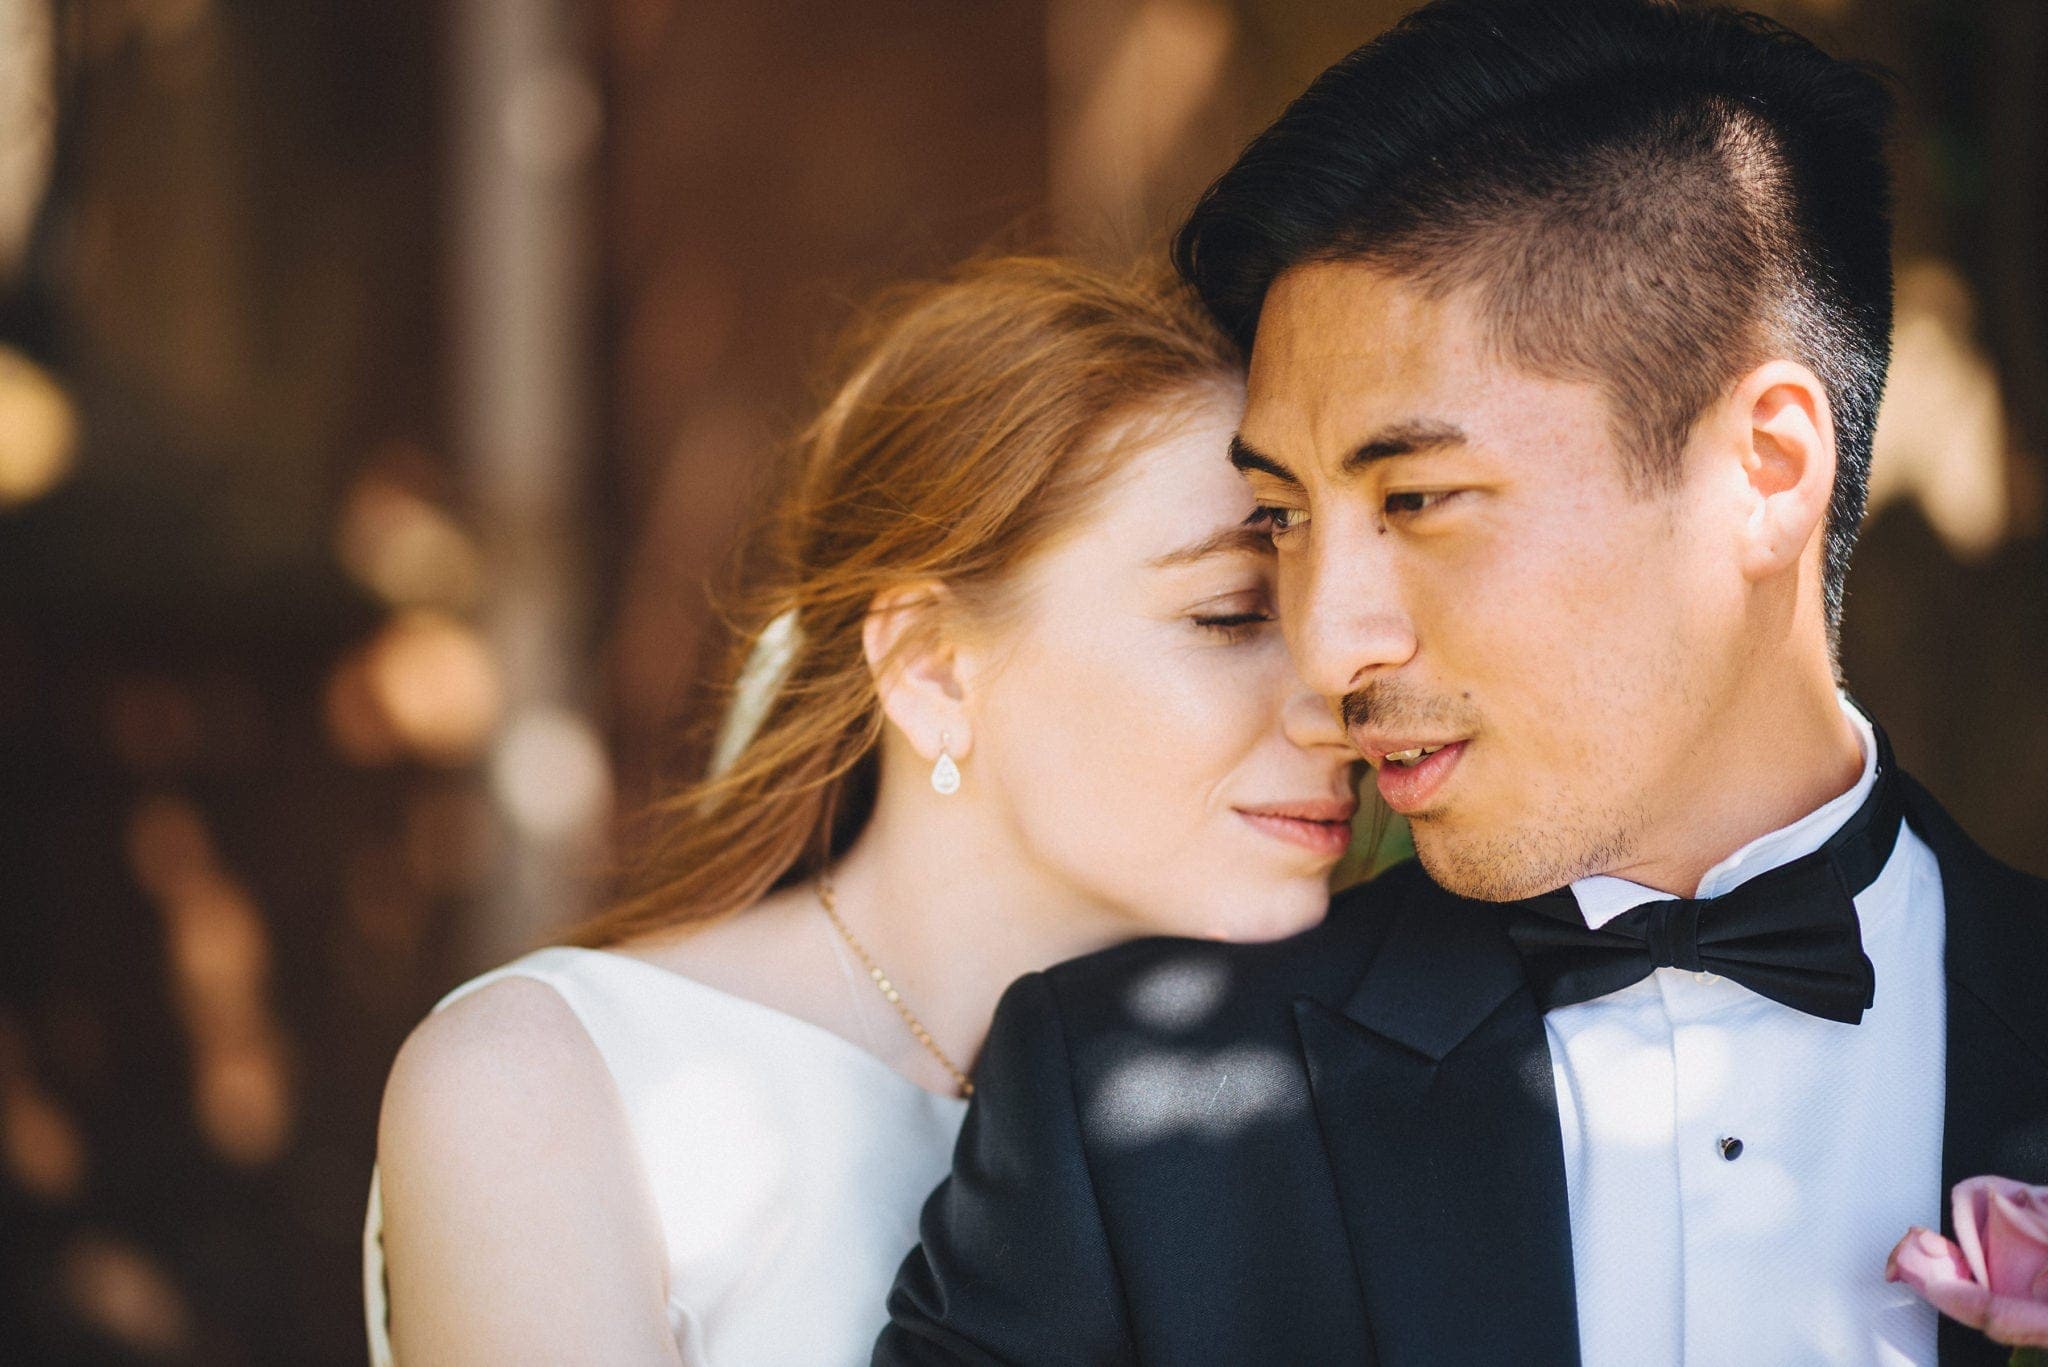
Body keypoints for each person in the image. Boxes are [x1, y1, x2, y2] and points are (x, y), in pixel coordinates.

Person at [876, 3, 2048, 1365]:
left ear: (1766, 468)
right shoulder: (1117, 1110)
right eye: (1284, 518)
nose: (1326, 649)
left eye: (1418, 496)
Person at [362, 256, 1364, 1365]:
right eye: (1230, 614)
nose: (1335, 703)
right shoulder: (552, 1079)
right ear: (932, 667)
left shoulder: (1319, 1098)